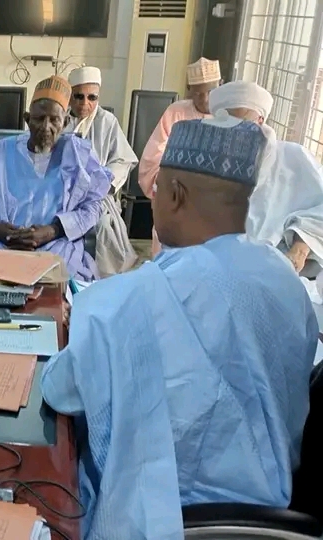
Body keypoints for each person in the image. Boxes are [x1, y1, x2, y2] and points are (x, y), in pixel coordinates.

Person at [41, 116, 317, 539]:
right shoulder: (285, 279)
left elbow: (61, 388)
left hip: (161, 517)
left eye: (156, 189)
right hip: (272, 514)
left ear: (175, 194)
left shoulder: (137, 297)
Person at [0, 76, 112, 281]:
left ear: (66, 122)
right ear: (27, 119)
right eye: (39, 119)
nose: (46, 127)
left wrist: (54, 230)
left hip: (53, 246)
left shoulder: (79, 157)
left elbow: (93, 207)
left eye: (54, 120)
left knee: (61, 280)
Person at [209, 80, 323, 277]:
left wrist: (300, 248)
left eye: (242, 123)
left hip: (285, 269)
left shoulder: (293, 157)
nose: (234, 132)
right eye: (226, 125)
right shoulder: (208, 163)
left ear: (260, 120)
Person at [139, 57, 221, 255]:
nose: (205, 100)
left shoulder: (229, 115)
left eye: (210, 92)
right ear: (189, 90)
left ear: (221, 84)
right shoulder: (176, 112)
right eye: (199, 94)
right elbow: (154, 154)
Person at [66, 65, 138, 275]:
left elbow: (123, 159)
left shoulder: (107, 121)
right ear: (70, 96)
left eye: (92, 97)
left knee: (104, 226)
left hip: (96, 195)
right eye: (79, 96)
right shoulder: (58, 118)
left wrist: (101, 183)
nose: (85, 103)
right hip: (62, 193)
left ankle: (102, 279)